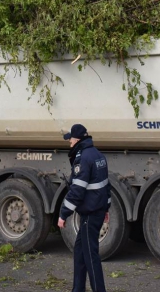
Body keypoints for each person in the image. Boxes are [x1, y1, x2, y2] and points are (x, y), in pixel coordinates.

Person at [57, 124, 110, 292]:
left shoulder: (83, 159)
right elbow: (105, 186)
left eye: (70, 139)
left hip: (90, 214)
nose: (69, 143)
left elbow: (77, 190)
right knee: (80, 253)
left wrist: (63, 214)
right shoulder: (98, 155)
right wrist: (107, 208)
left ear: (77, 140)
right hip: (98, 210)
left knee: (90, 257)